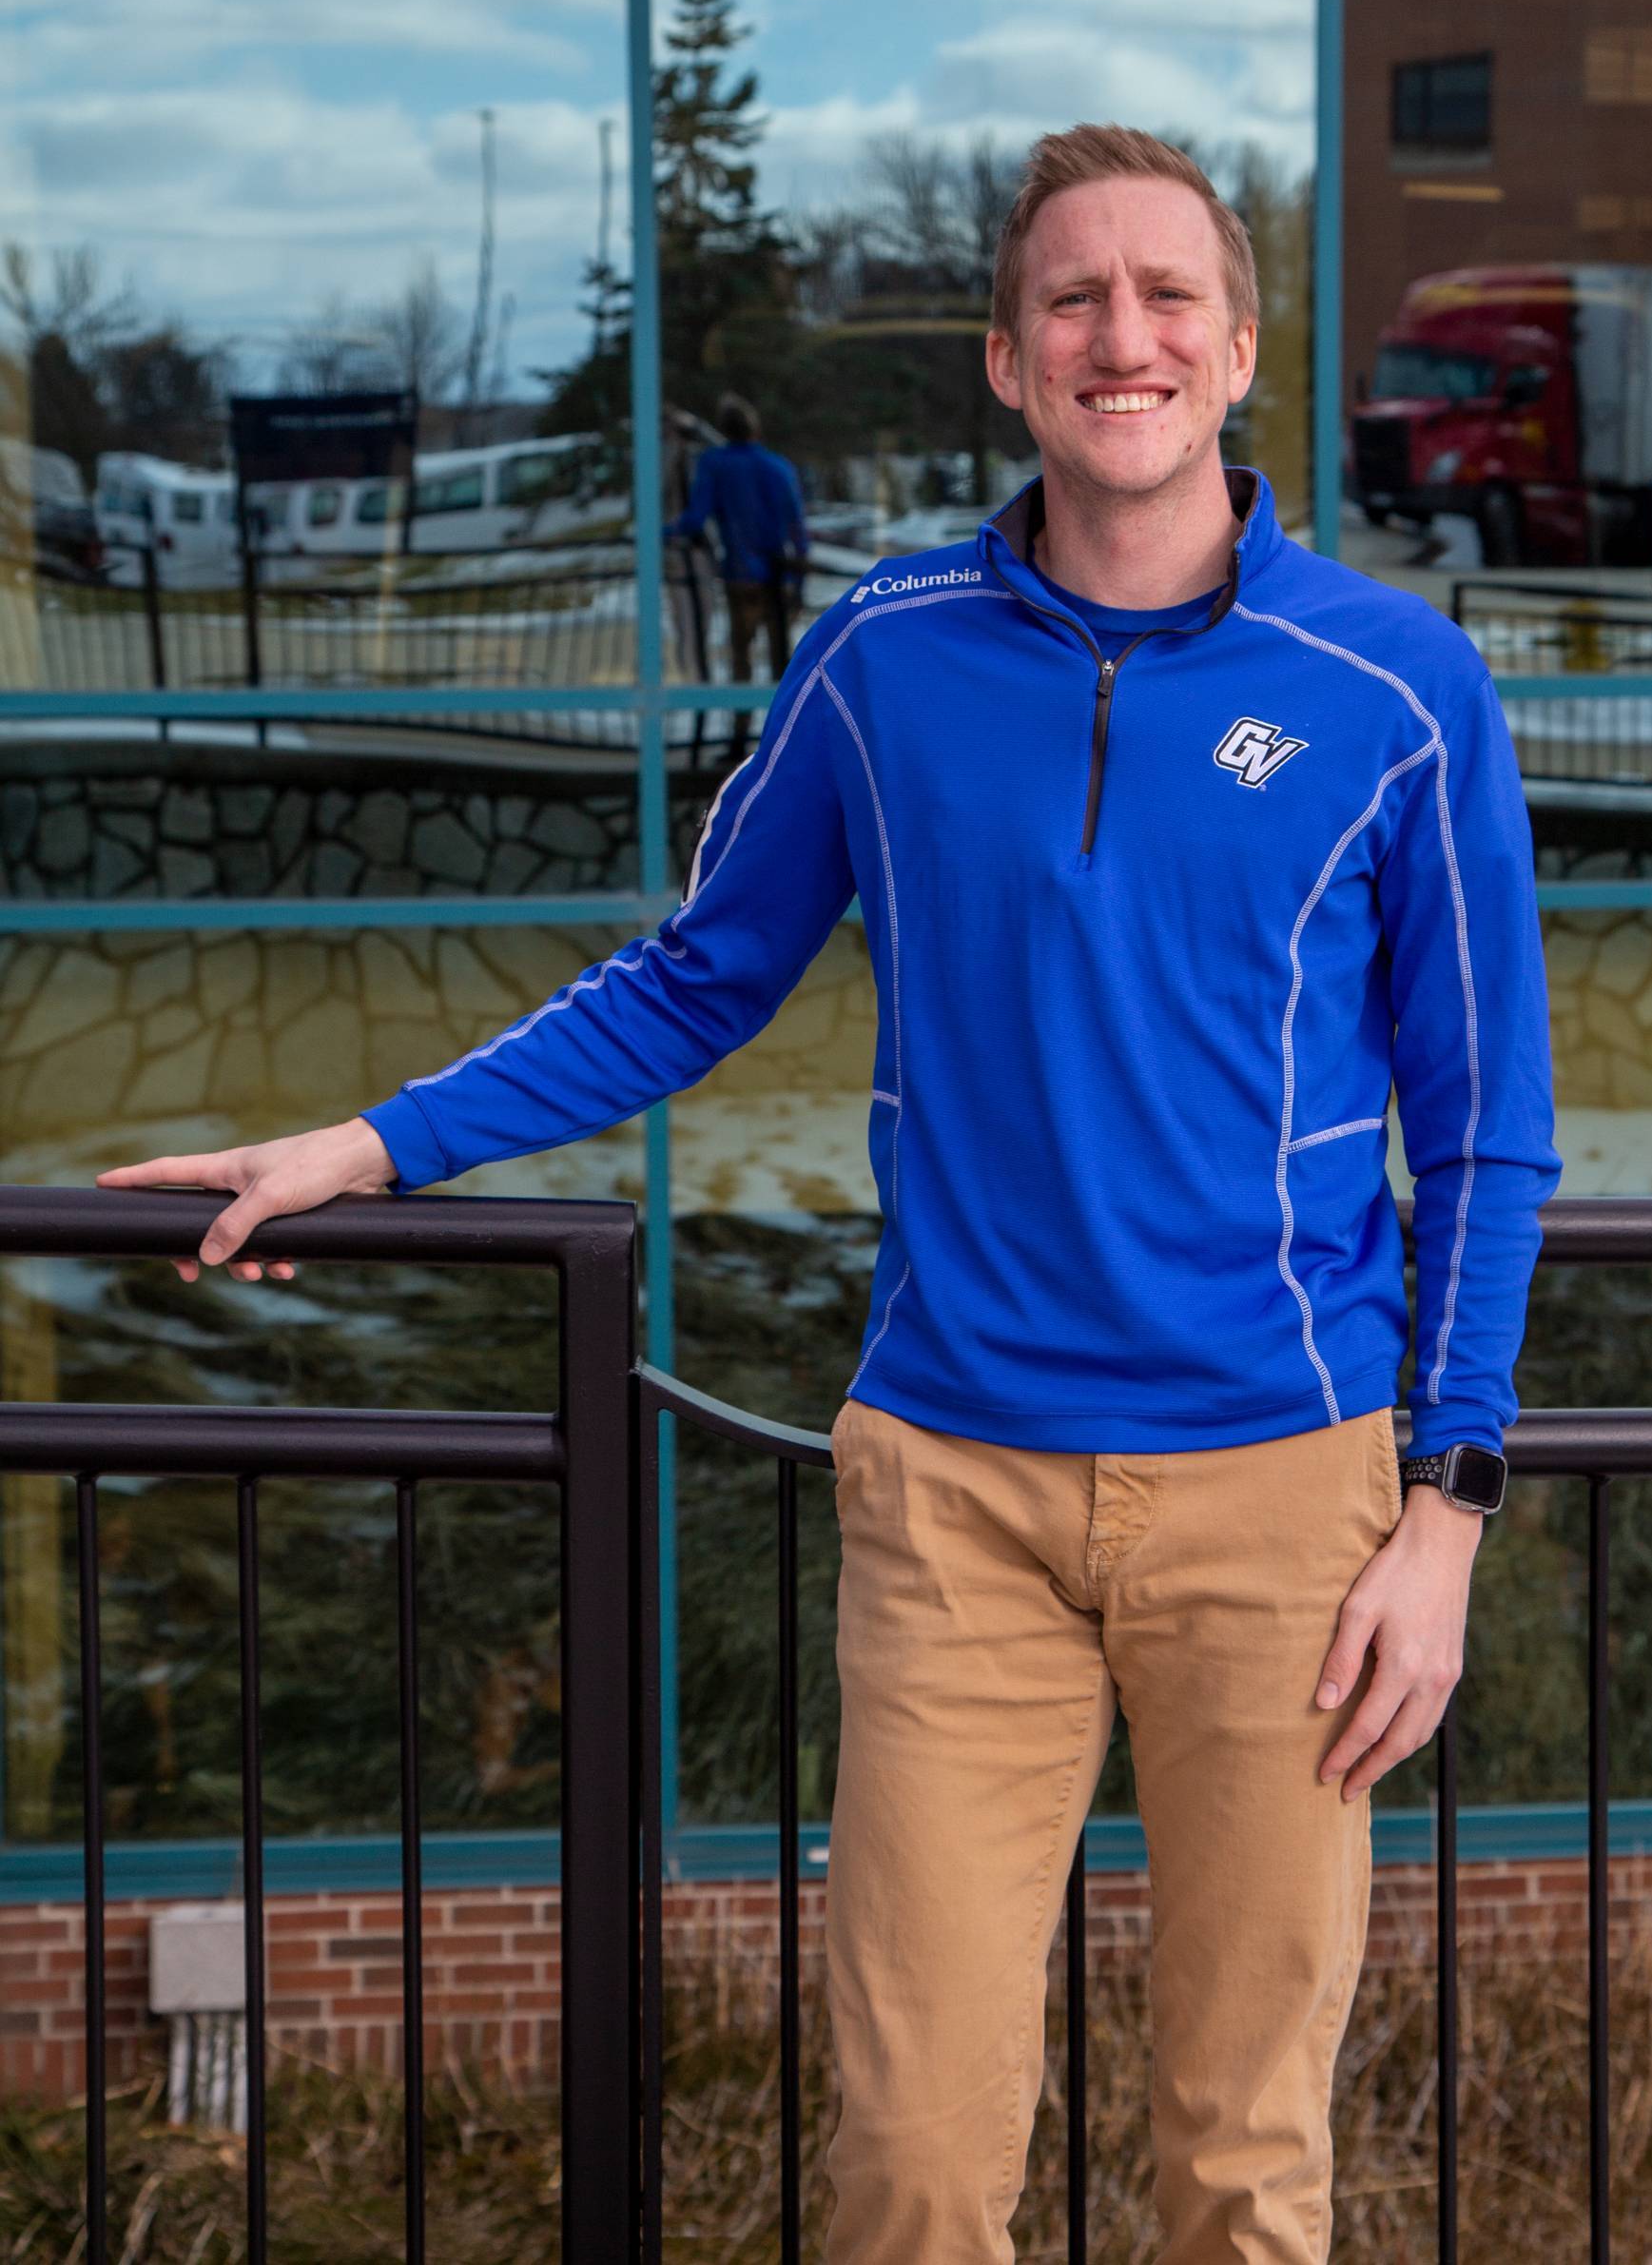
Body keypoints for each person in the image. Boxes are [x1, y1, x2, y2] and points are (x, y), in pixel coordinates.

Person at [102, 124, 1560, 2265]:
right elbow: (695, 977)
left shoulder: (1398, 693)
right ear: (1003, 358)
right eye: (1073, 298)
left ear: (1238, 353)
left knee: (1244, 2167)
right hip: (955, 1497)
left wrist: (1446, 1508)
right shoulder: (885, 655)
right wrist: (366, 1143)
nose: (1121, 335)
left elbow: (1486, 1124)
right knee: (905, 2163)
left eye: (1169, 297)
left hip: (1287, 1493)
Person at [666, 391, 808, 696]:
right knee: (781, 664)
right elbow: (798, 528)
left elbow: (695, 517)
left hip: (741, 575)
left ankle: (739, 731)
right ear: (755, 428)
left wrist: (660, 533)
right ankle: (780, 735)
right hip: (778, 575)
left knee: (741, 661)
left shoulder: (715, 464)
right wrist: (799, 578)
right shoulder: (777, 466)